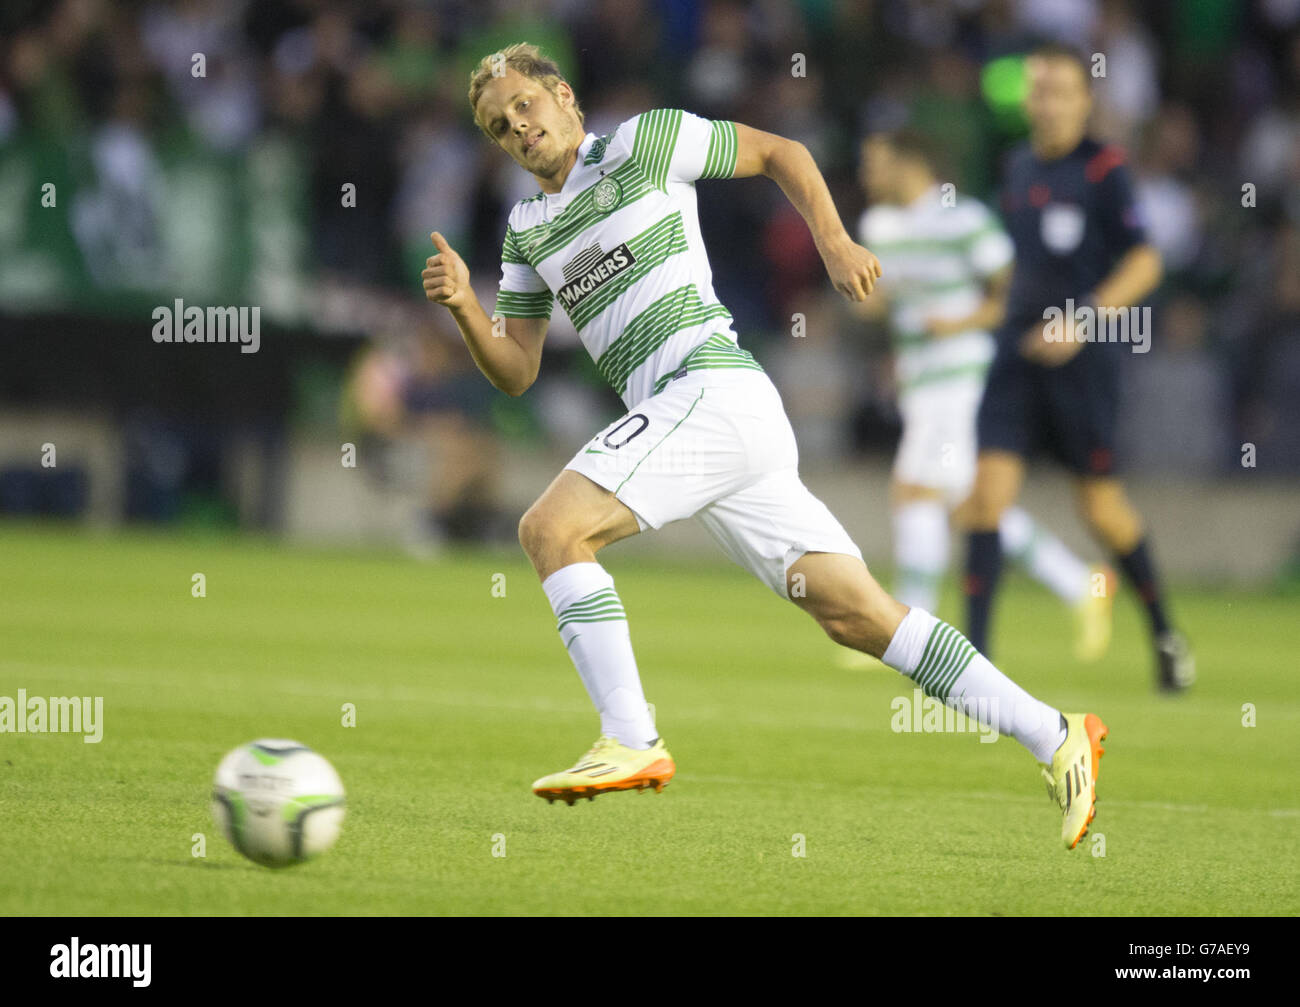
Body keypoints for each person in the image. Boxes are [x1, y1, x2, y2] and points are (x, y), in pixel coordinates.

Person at [423, 43, 1106, 849]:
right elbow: (518, 369)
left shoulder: (645, 143)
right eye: (500, 127)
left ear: (564, 97)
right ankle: (1056, 731)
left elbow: (781, 151)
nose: (518, 128)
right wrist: (469, 310)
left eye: (526, 106)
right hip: (707, 421)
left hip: (709, 388)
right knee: (857, 614)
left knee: (550, 529)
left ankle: (632, 736)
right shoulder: (527, 227)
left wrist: (834, 240)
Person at [962, 43, 1194, 690]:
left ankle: (1166, 634)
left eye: (1061, 90)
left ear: (1085, 99)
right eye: (1039, 89)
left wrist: (1082, 320)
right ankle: (973, 662)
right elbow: (1016, 267)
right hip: (1014, 353)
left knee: (1101, 508)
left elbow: (1145, 262)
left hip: (1082, 362)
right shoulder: (1015, 166)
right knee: (985, 497)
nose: (1049, 101)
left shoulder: (1104, 170)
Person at [856, 129, 1113, 661]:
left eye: (876, 163)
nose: (867, 174)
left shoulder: (965, 220)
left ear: (910, 163)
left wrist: (958, 323)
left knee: (914, 490)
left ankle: (904, 629)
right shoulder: (878, 226)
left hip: (963, 374)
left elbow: (1012, 295)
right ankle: (1082, 583)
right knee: (970, 505)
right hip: (918, 381)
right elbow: (878, 306)